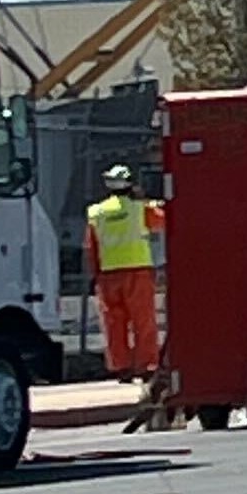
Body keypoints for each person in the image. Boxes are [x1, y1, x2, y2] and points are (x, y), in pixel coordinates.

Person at [85, 163, 166, 382]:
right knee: (143, 321)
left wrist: (96, 274)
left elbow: (91, 246)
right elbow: (162, 221)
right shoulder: (140, 208)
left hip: (108, 275)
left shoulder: (96, 212)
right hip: (137, 271)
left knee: (113, 323)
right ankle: (147, 366)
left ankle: (121, 367)